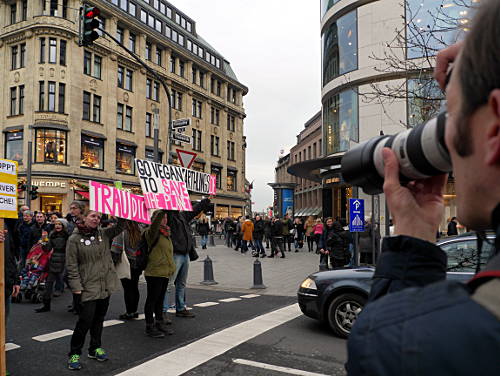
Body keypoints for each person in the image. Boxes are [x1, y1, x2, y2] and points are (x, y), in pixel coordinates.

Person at [347, 3, 500, 373]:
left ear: (494, 127)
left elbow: (398, 336)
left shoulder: (411, 343)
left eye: (451, 112)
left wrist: (409, 247)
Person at [65, 209, 125, 370]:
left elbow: (121, 226)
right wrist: (76, 287)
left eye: (99, 217)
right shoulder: (74, 239)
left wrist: (120, 210)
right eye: (92, 216)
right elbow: (71, 266)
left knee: (99, 319)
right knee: (85, 321)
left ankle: (95, 348)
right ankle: (74, 353)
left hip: (104, 285)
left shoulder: (103, 234)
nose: (96, 219)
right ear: (84, 218)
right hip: (87, 286)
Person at [163, 198, 211, 318]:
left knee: (181, 284)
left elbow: (195, 210)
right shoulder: (170, 217)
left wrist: (206, 200)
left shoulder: (182, 215)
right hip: (175, 254)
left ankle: (180, 307)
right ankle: (163, 311)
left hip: (185, 254)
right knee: (168, 284)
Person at [144, 210, 175, 338]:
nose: (164, 220)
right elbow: (155, 224)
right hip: (154, 272)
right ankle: (149, 326)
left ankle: (159, 323)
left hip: (164, 272)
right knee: (152, 299)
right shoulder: (151, 233)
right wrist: (162, 210)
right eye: (162, 217)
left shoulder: (166, 234)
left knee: (160, 300)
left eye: (166, 218)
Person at [35, 218, 69, 312]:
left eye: (60, 224)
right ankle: (46, 306)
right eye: (56, 224)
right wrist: (44, 241)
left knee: (69, 282)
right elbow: (47, 249)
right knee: (48, 283)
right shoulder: (52, 234)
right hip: (53, 260)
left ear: (64, 226)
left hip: (64, 260)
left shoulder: (68, 236)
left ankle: (77, 304)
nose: (57, 226)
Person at [111, 220, 143, 320]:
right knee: (135, 287)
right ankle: (134, 310)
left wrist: (113, 265)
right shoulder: (140, 230)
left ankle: (129, 312)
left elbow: (116, 250)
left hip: (126, 264)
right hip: (137, 264)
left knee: (128, 289)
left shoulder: (122, 232)